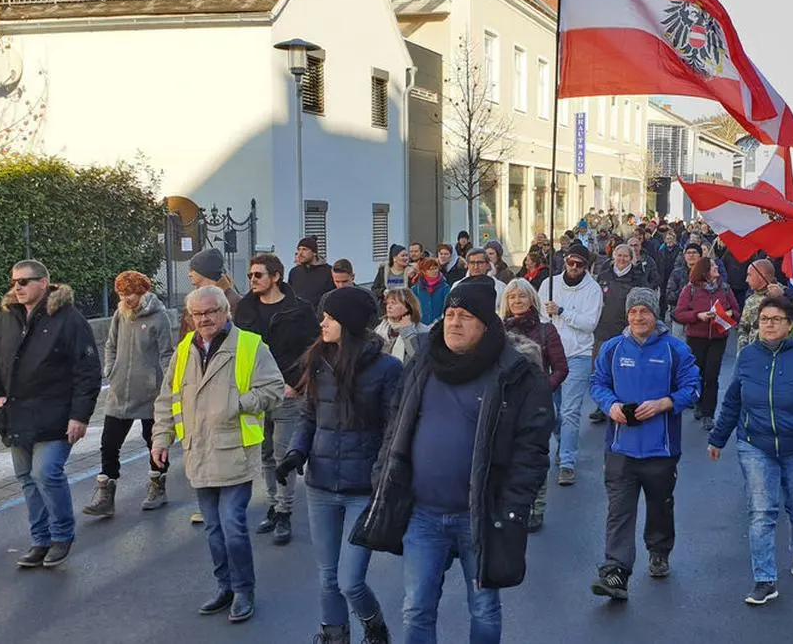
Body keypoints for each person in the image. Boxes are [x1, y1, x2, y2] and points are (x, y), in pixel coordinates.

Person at [352, 281, 554, 644]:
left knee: (484, 609)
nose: (454, 323)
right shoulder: (424, 362)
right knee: (416, 608)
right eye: (449, 314)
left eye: (465, 316)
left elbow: (532, 450)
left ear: (487, 323)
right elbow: (396, 425)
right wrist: (385, 476)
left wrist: (513, 505)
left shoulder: (516, 373)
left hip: (482, 513)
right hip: (423, 514)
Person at [151, 286, 285, 624]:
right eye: (197, 314)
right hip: (198, 451)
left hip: (234, 451)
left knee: (232, 524)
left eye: (210, 311)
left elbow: (274, 390)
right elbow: (168, 398)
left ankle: (243, 590)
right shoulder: (185, 349)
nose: (204, 319)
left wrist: (237, 404)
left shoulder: (250, 345)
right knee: (213, 528)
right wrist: (160, 438)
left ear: (226, 310)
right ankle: (224, 586)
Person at [277, 287, 402, 643]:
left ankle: (374, 625)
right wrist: (296, 453)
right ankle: (333, 635)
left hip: (363, 490)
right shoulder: (319, 362)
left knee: (350, 580)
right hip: (320, 485)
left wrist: (386, 477)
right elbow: (308, 416)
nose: (322, 323)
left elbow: (395, 430)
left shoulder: (388, 370)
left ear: (347, 323)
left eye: (329, 318)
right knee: (327, 576)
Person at [708, 296, 793, 606]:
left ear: (790, 324)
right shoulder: (749, 356)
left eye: (776, 319)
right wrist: (718, 437)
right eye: (764, 318)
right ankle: (764, 580)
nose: (769, 324)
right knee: (761, 512)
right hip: (755, 444)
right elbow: (733, 399)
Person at [0, 260, 101, 569]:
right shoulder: (5, 319)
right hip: (16, 414)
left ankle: (62, 534)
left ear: (44, 282)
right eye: (15, 281)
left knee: (46, 473)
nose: (18, 287)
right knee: (27, 478)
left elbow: (87, 371)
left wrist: (80, 416)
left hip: (56, 414)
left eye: (25, 281)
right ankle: (41, 539)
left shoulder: (68, 319)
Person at [589, 288, 701, 601]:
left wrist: (665, 403)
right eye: (633, 312)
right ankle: (616, 570)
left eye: (645, 312)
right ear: (627, 316)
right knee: (619, 511)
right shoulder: (612, 349)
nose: (639, 317)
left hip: (660, 449)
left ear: (655, 315)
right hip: (620, 448)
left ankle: (659, 549)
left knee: (659, 506)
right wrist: (610, 405)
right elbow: (597, 383)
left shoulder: (674, 350)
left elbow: (693, 389)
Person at [235, 254, 320, 546]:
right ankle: (273, 505)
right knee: (265, 454)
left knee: (284, 454)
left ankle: (285, 511)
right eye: (250, 276)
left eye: (258, 275)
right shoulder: (245, 308)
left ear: (276, 277)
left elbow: (313, 349)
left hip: (287, 392)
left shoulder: (299, 309)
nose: (252, 280)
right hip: (256, 394)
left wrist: (297, 385)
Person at [84, 271, 175, 519]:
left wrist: (168, 386)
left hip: (150, 392)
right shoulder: (120, 314)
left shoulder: (159, 317)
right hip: (119, 391)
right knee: (109, 443)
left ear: (143, 291)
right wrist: (110, 371)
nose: (126, 299)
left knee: (153, 440)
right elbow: (110, 344)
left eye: (130, 294)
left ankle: (157, 486)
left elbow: (167, 353)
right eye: (122, 294)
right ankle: (106, 495)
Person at [501, 278, 568, 531]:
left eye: (522, 296)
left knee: (534, 457)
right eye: (512, 297)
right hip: (506, 404)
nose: (517, 301)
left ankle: (536, 507)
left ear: (532, 299)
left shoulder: (545, 330)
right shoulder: (497, 331)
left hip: (537, 405)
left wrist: (542, 389)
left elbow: (561, 368)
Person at [183, 248, 241, 525]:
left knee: (219, 448)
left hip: (226, 391)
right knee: (201, 446)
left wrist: (239, 401)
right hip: (198, 387)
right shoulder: (194, 302)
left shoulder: (232, 303)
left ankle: (218, 505)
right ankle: (208, 503)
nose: (189, 277)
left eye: (194, 273)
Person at [540, 244, 603, 485]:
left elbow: (589, 324)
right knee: (554, 410)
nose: (574, 268)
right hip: (551, 355)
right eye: (571, 263)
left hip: (578, 355)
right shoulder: (549, 284)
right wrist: (548, 315)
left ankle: (567, 461)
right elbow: (541, 317)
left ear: (586, 266)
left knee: (570, 411)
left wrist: (562, 311)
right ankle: (563, 443)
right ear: (565, 262)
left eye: (579, 264)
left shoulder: (593, 290)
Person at [674, 258, 740, 431]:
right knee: (698, 373)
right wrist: (698, 315)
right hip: (697, 337)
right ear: (704, 271)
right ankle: (698, 402)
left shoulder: (725, 288)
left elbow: (736, 312)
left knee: (712, 376)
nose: (717, 267)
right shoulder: (690, 289)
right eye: (712, 266)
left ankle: (708, 413)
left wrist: (728, 313)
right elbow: (679, 314)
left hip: (718, 337)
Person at [589, 245, 649, 423]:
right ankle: (602, 406)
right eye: (619, 255)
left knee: (623, 370)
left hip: (626, 331)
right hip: (602, 330)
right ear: (614, 256)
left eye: (625, 256)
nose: (622, 259)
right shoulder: (604, 275)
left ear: (631, 258)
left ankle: (622, 405)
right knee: (601, 370)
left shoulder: (638, 278)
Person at [738, 260, 793, 350]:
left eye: (749, 275)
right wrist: (743, 350)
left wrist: (783, 297)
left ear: (761, 276)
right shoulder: (750, 298)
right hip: (755, 353)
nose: (746, 280)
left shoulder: (786, 293)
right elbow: (743, 327)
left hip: (781, 353)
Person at [181, 248, 242, 341]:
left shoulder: (233, 301)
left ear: (205, 271)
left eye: (194, 269)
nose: (189, 274)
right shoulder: (192, 300)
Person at [375, 287, 430, 364]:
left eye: (393, 303)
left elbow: (419, 358)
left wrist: (407, 331)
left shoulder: (423, 331)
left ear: (407, 307)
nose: (389, 306)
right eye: (387, 303)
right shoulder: (381, 327)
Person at [290, 237, 337, 307]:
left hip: (321, 316)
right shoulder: (294, 272)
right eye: (299, 249)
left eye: (304, 249)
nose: (300, 253)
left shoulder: (329, 272)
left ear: (314, 253)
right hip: (298, 316)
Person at [665, 243, 703, 320]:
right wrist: (685, 288)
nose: (691, 255)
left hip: (700, 317)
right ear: (684, 256)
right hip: (679, 318)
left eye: (694, 252)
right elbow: (669, 297)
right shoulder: (676, 273)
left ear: (700, 256)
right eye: (688, 253)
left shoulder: (705, 273)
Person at [411, 257, 450, 325]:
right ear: (424, 271)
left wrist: (439, 321)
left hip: (439, 325)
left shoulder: (445, 287)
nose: (434, 271)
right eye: (431, 269)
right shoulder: (415, 289)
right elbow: (412, 309)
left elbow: (447, 308)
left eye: (436, 268)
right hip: (420, 325)